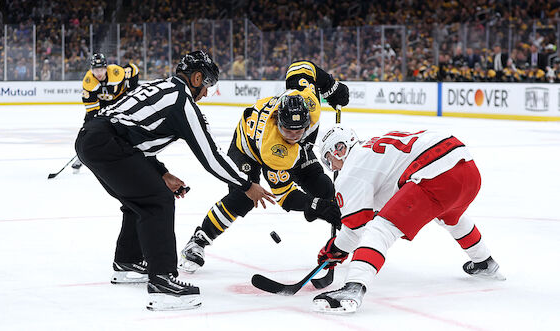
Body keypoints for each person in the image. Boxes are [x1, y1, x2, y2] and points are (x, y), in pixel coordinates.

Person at [74, 50, 275, 311]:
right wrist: (247, 185)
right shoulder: (183, 103)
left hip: (93, 138)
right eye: (207, 87)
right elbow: (211, 158)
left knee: (139, 197)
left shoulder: (160, 85)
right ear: (197, 77)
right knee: (158, 200)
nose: (205, 94)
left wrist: (161, 172)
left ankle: (127, 262)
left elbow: (132, 135)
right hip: (107, 143)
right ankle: (163, 283)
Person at [178, 60, 350, 274]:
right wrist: (313, 205)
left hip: (291, 150)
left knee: (325, 188)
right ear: (278, 123)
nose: (293, 136)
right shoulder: (274, 148)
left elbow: (301, 67)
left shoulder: (310, 101)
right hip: (247, 148)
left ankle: (345, 241)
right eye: (288, 131)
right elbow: (285, 196)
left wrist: (332, 87)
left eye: (299, 131)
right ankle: (198, 241)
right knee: (244, 198)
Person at [312, 126, 505, 314]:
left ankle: (353, 288)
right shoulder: (372, 148)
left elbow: (356, 229)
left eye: (329, 161)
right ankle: (484, 262)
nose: (332, 168)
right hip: (466, 166)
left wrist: (335, 249)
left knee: (380, 229)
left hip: (435, 175)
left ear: (339, 149)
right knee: (450, 216)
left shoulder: (352, 169)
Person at [71, 53, 140, 173]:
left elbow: (134, 69)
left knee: (124, 129)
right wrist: (96, 124)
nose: (98, 73)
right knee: (88, 128)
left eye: (101, 69)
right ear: (91, 69)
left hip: (120, 102)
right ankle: (82, 155)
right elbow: (92, 110)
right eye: (95, 69)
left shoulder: (116, 72)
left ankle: (129, 155)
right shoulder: (88, 81)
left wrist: (131, 90)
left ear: (106, 68)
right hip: (102, 104)